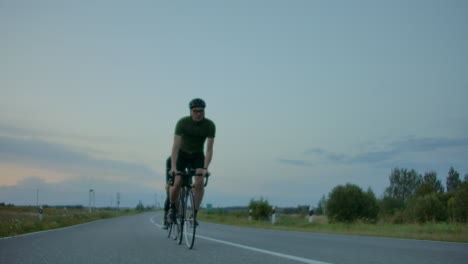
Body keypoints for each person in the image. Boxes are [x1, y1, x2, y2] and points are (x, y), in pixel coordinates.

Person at [168, 98, 216, 225]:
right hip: (182, 154)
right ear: (191, 111)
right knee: (177, 181)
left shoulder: (210, 125)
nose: (198, 114)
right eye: (195, 111)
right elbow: (175, 147)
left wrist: (205, 168)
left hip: (197, 155)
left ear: (204, 111)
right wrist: (173, 167)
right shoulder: (183, 123)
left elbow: (209, 150)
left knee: (199, 181)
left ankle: (193, 215)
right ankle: (172, 208)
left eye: (201, 111)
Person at [163, 156, 171, 229]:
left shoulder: (187, 158)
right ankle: (165, 217)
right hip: (171, 178)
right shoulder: (169, 160)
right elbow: (167, 175)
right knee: (169, 197)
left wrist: (191, 185)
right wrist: (168, 184)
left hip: (182, 177)